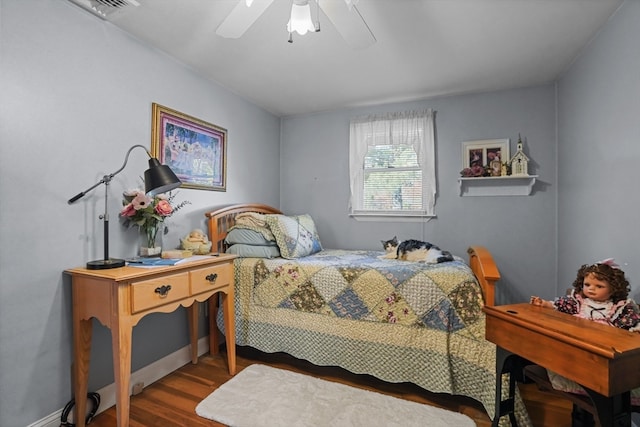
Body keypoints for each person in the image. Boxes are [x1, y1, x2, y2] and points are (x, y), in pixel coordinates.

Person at [530, 258, 640, 405]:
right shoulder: (579, 302)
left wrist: (636, 330)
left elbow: (631, 323)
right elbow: (560, 305)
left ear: (614, 288)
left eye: (599, 286)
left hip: (602, 346)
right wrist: (544, 304)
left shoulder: (619, 308)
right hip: (579, 344)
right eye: (587, 284)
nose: (591, 289)